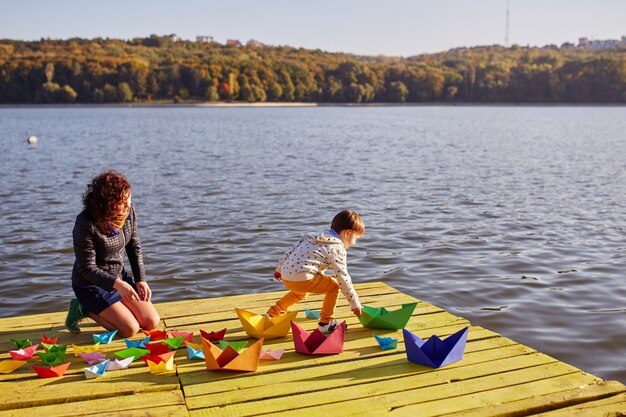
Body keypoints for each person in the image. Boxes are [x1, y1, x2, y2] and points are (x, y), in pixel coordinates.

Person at [65, 170, 160, 337]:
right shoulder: (85, 223)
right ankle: (83, 308)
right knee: (130, 329)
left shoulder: (128, 213)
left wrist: (140, 280)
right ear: (107, 204)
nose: (129, 204)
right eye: (123, 201)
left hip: (119, 278)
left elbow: (134, 246)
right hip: (91, 285)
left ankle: (113, 308)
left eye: (129, 198)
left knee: (151, 321)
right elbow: (86, 267)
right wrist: (117, 284)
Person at [267, 210, 364, 334]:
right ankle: (326, 322)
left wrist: (279, 269)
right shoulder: (337, 248)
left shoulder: (313, 236)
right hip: (303, 278)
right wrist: (354, 302)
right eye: (356, 238)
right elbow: (343, 277)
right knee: (334, 286)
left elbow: (290, 250)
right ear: (347, 233)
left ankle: (272, 313)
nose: (354, 243)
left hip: (286, 275)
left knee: (300, 292)